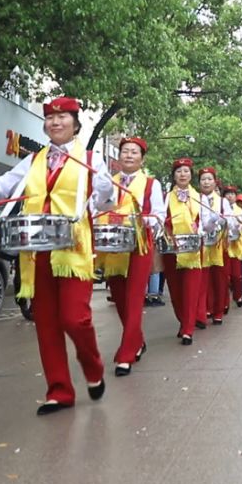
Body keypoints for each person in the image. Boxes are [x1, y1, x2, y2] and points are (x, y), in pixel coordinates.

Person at [0, 95, 114, 416]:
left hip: (73, 250)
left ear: (76, 123)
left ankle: (92, 365)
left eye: (62, 117)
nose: (55, 122)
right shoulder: (34, 159)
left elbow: (106, 202)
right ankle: (59, 391)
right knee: (45, 322)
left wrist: (104, 188)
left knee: (75, 319)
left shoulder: (91, 159)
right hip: (36, 251)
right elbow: (7, 183)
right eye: (50, 117)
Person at [96, 136, 165, 377]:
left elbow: (159, 215)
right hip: (113, 245)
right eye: (125, 151)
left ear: (142, 159)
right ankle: (137, 340)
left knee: (135, 298)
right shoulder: (108, 182)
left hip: (139, 245)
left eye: (134, 152)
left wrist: (142, 221)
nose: (128, 155)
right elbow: (97, 207)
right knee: (119, 298)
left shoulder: (151, 184)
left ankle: (126, 355)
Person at [162, 158, 208, 345]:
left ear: (191, 175)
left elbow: (207, 221)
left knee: (191, 289)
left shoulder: (199, 198)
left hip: (193, 249)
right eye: (179, 171)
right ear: (174, 176)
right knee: (175, 290)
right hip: (171, 249)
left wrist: (202, 228)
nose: (182, 174)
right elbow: (159, 218)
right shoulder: (166, 197)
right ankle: (183, 320)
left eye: (186, 171)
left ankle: (188, 328)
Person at [197, 167, 233, 325]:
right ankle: (206, 308)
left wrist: (223, 221)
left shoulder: (223, 201)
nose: (206, 182)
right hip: (202, 243)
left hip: (219, 244)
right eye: (203, 179)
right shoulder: (195, 199)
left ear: (215, 182)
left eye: (209, 179)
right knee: (203, 279)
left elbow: (231, 221)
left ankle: (218, 310)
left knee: (220, 279)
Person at [224, 185, 242, 307]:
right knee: (225, 276)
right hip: (223, 246)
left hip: (236, 246)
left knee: (236, 275)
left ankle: (238, 296)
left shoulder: (241, 211)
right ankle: (225, 302)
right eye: (227, 194)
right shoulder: (220, 209)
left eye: (232, 194)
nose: (229, 196)